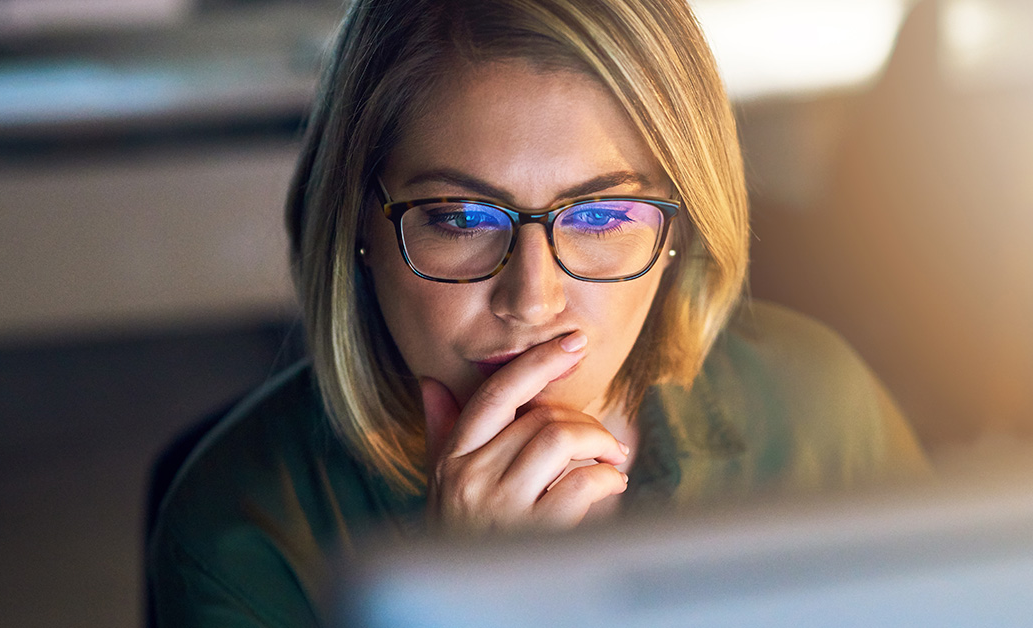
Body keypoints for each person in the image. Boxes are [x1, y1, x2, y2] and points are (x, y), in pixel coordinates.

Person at [147, 0, 931, 625]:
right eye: (459, 218)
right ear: (358, 223)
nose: (532, 302)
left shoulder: (818, 409)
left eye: (600, 218)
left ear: (681, 227)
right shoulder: (239, 536)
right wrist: (472, 603)